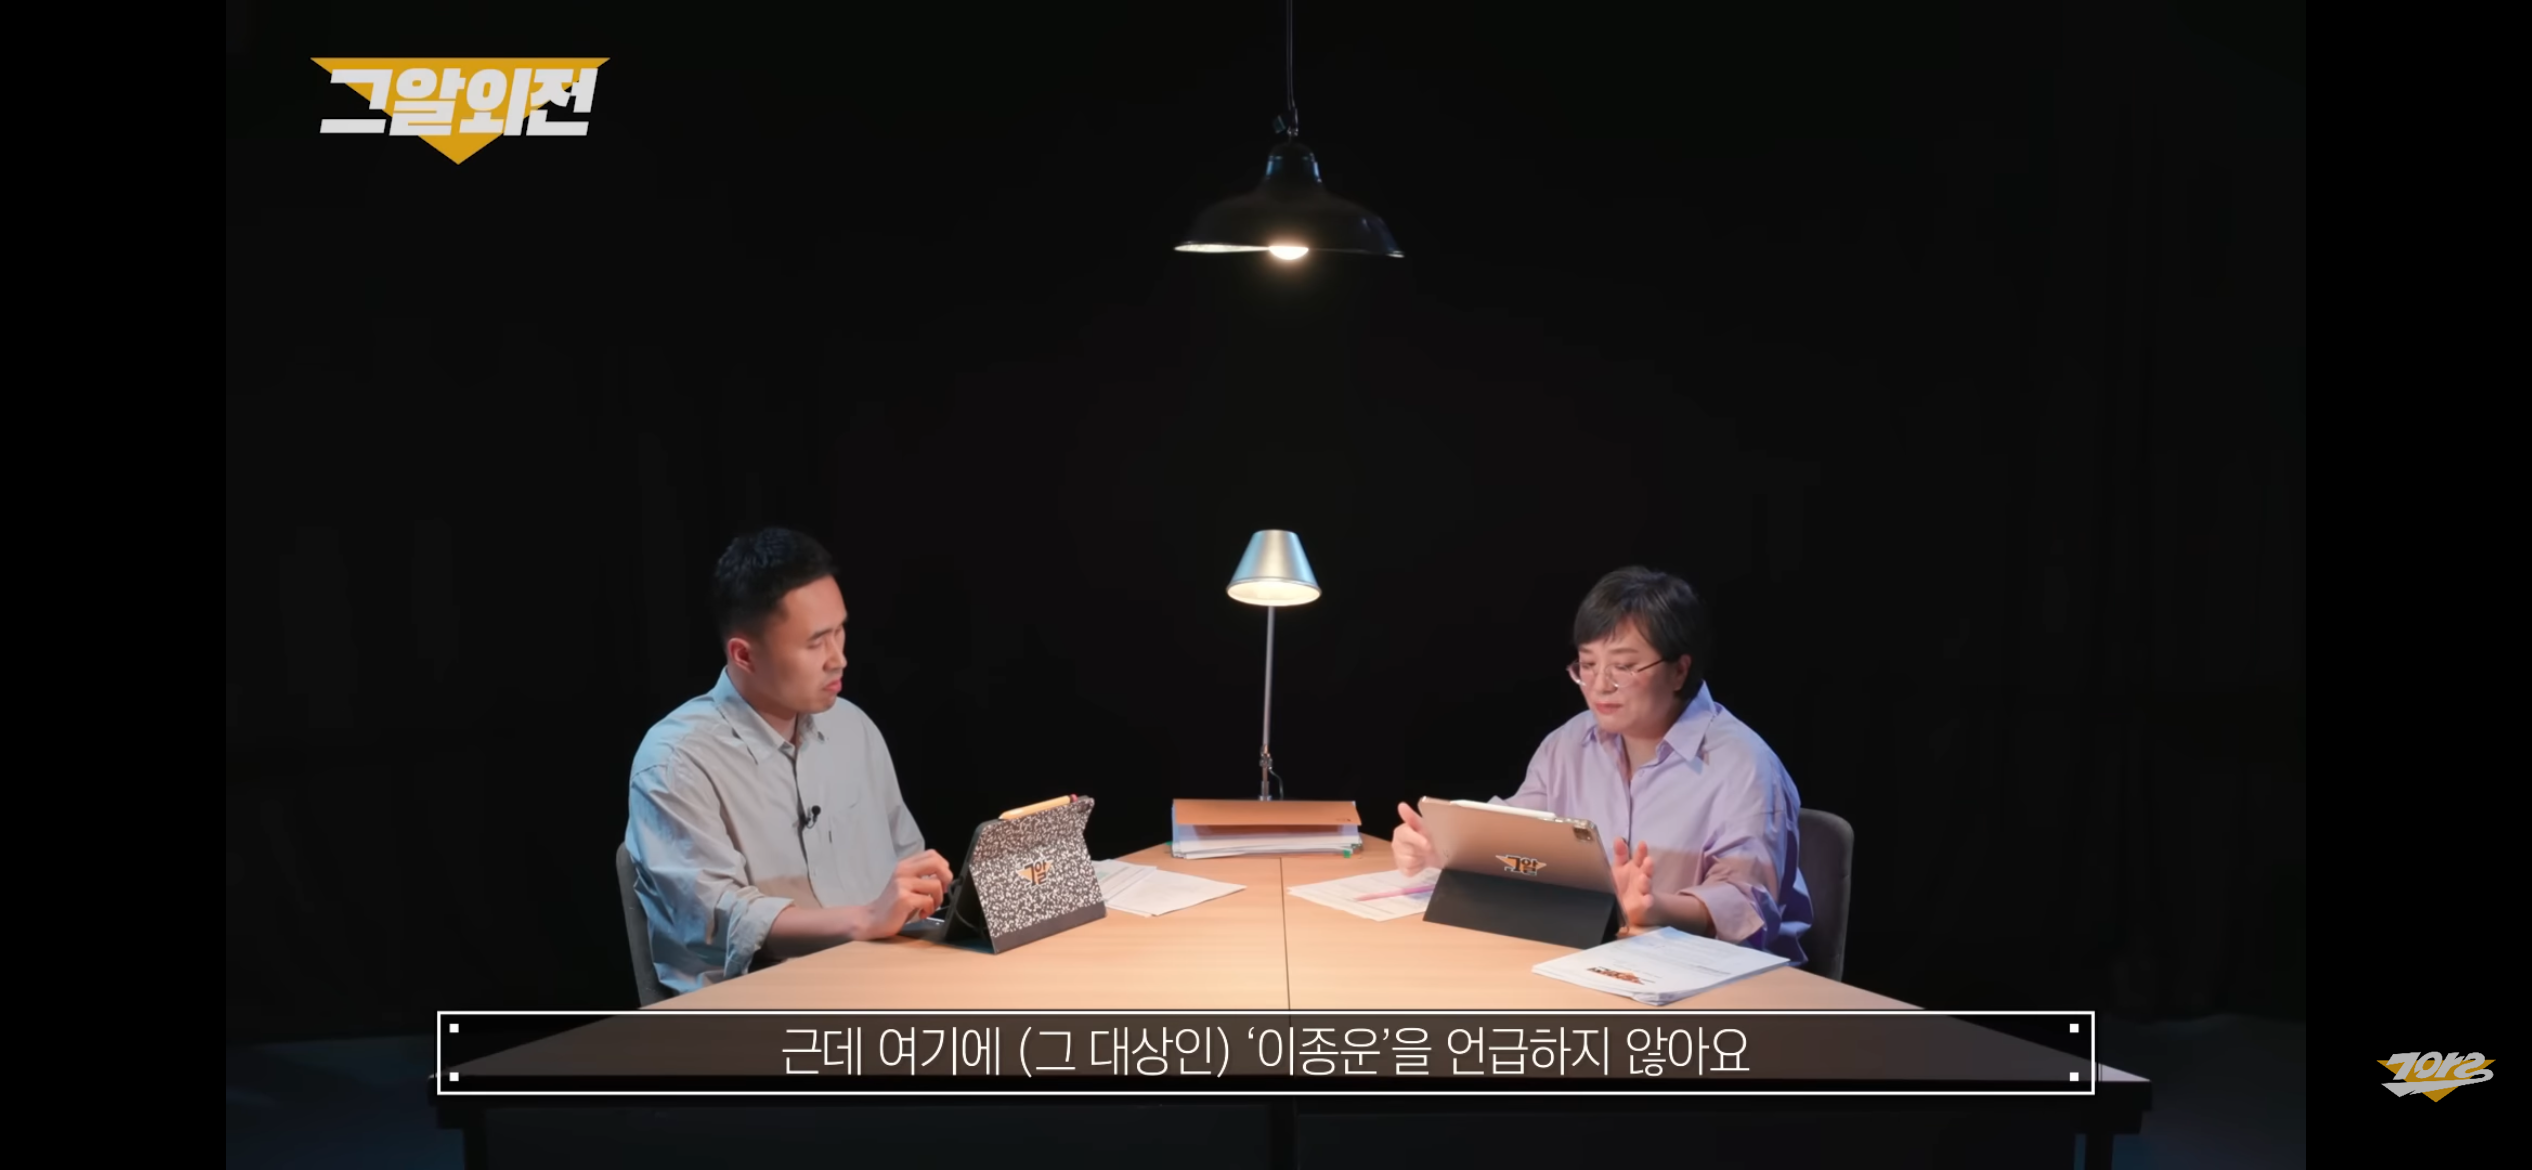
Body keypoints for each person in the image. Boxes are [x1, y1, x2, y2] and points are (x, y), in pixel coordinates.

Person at [1390, 567, 1813, 965]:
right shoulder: (1570, 742)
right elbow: (1517, 833)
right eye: (1588, 666)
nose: (1599, 686)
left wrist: (1654, 908)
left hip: (1716, 979)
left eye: (1623, 667)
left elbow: (1748, 907)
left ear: (1679, 671)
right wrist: (1444, 846)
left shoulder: (1744, 764)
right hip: (1598, 956)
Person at [624, 527, 955, 995]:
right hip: (761, 1007)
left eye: (840, 631)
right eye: (816, 642)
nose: (839, 659)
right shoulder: (675, 760)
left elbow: (907, 859)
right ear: (744, 654)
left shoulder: (852, 726)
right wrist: (866, 919)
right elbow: (722, 918)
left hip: (884, 983)